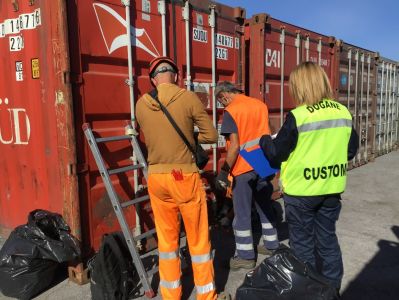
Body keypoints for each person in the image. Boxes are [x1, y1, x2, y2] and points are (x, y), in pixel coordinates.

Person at [260, 62, 359, 292]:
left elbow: (276, 155)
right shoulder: (343, 112)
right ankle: (332, 292)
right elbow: (350, 150)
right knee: (328, 243)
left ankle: (309, 294)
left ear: (300, 86)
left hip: (302, 193)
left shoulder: (298, 116)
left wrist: (265, 140)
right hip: (331, 190)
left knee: (303, 249)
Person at [136, 56, 225, 300]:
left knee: (166, 242)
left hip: (156, 177)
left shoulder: (141, 104)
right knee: (197, 239)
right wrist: (190, 139)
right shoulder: (187, 98)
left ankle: (171, 295)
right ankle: (206, 296)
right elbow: (210, 135)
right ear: (175, 75)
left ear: (153, 79)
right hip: (183, 176)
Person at [214, 81, 280, 271]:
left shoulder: (231, 111)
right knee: (264, 206)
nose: (222, 106)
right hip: (262, 163)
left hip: (243, 166)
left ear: (224, 96)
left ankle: (245, 256)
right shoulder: (260, 105)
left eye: (221, 102)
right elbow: (269, 132)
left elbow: (234, 146)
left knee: (241, 213)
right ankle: (271, 245)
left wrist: (224, 171)